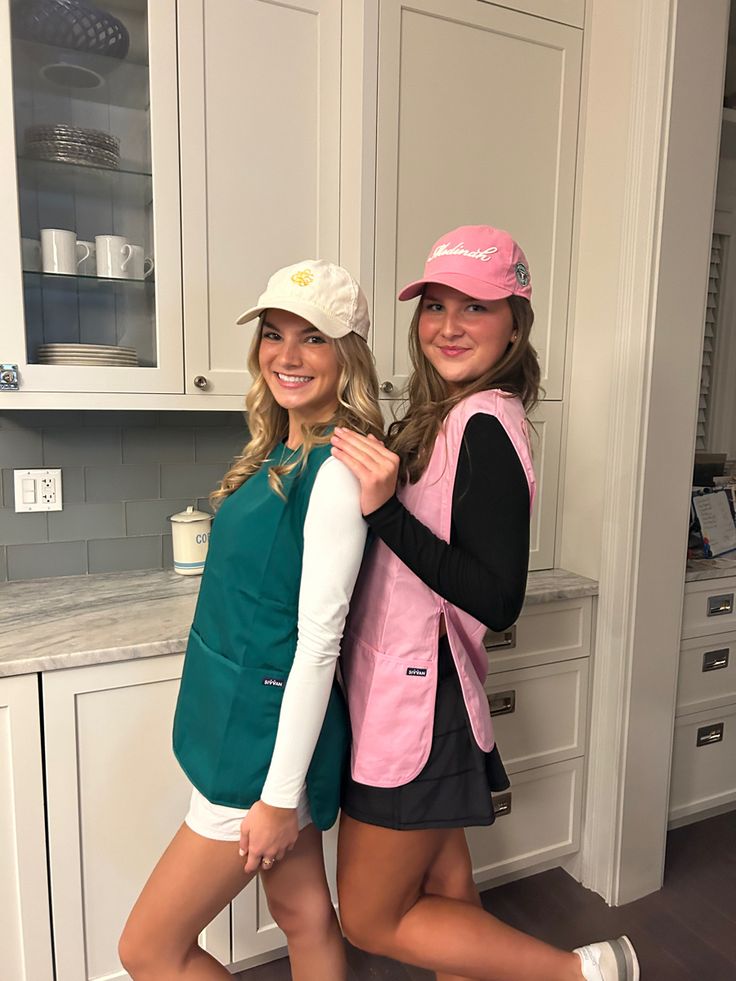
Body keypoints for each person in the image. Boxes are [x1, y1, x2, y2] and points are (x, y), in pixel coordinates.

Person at [331, 225, 640, 981]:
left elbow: (499, 596)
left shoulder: (485, 423)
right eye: (436, 306)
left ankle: (584, 972)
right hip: (405, 687)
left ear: (514, 321)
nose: (449, 325)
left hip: (418, 703)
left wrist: (383, 512)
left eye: (477, 307)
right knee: (446, 891)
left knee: (371, 917)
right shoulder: (443, 415)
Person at [119, 259, 383, 981]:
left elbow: (319, 646)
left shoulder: (331, 474)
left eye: (314, 339)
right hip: (253, 728)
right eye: (274, 333)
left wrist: (274, 797)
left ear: (349, 353)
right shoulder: (284, 447)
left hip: (259, 752)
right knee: (304, 916)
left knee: (147, 949)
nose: (286, 356)